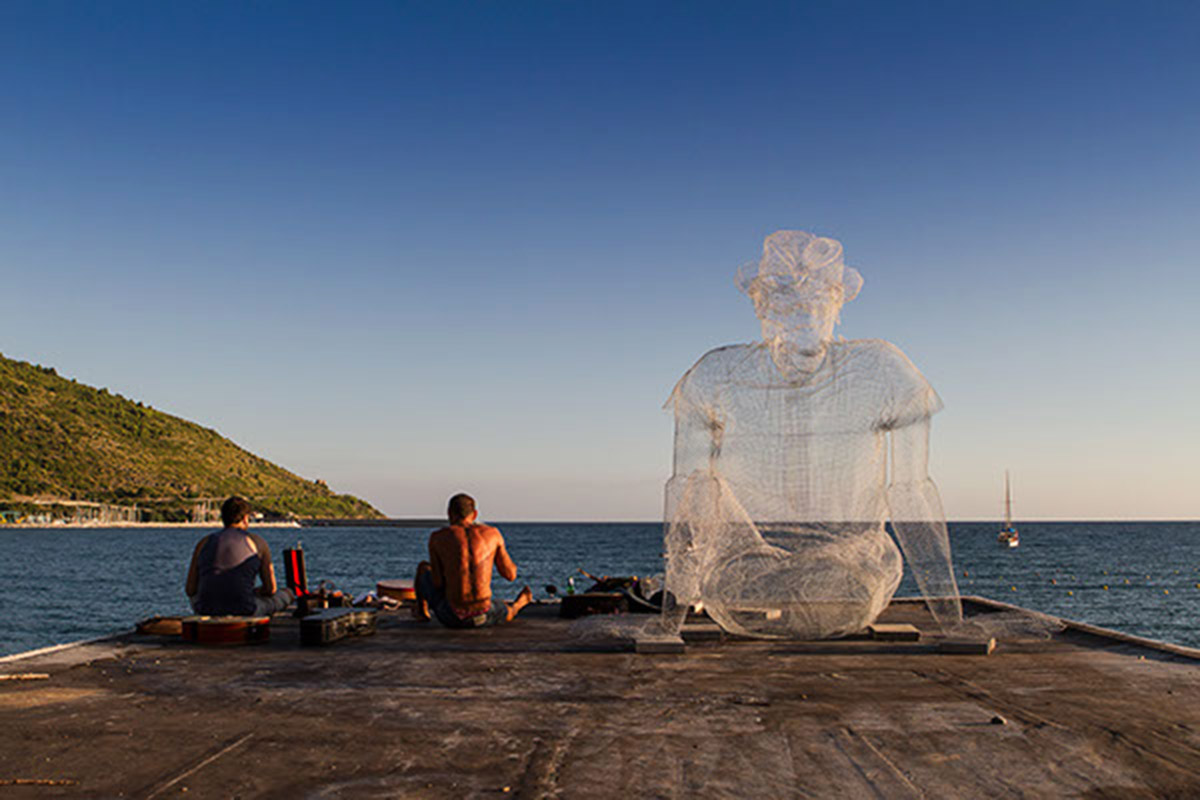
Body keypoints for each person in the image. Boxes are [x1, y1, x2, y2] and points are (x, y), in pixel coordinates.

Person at [662, 231, 961, 639]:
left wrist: (951, 618)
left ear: (837, 305)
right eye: (784, 302)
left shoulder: (882, 370)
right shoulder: (716, 375)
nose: (801, 315)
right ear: (762, 308)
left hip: (850, 586)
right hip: (733, 593)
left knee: (845, 577)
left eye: (816, 302)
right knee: (722, 522)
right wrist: (668, 620)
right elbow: (688, 495)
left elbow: (912, 492)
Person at [413, 493, 532, 628]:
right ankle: (517, 605)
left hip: (452, 617)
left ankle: (421, 611)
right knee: (504, 609)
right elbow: (510, 575)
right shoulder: (493, 534)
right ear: (474, 514)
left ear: (449, 514)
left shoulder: (437, 537)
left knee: (423, 568)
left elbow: (437, 582)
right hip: (484, 614)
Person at [185, 496, 293, 617]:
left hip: (206, 610)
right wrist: (255, 592)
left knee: (198, 598)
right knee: (286, 594)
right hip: (245, 610)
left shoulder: (203, 542)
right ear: (245, 518)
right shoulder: (257, 542)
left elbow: (190, 590)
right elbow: (270, 589)